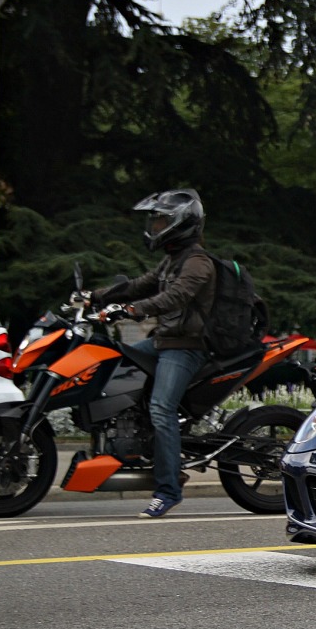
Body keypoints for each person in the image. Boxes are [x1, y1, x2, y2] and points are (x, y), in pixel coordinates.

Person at [90, 190, 216, 518]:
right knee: (112, 360)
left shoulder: (198, 262)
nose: (155, 225)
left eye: (160, 220)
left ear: (180, 223)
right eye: (155, 220)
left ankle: (168, 489)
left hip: (187, 347)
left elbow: (175, 297)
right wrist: (96, 296)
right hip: (163, 341)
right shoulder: (171, 259)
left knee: (162, 408)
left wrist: (132, 310)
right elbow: (140, 284)